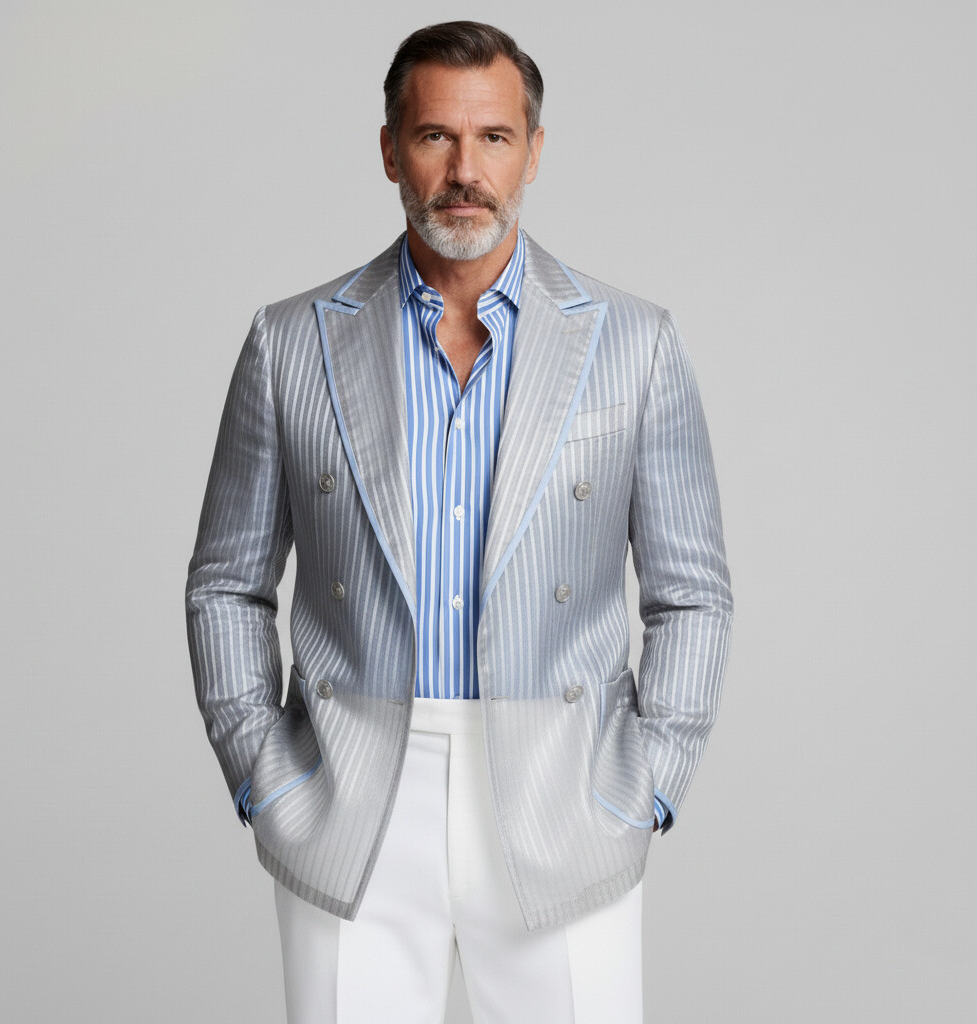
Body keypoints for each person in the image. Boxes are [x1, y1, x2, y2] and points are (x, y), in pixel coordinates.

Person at [185, 20, 732, 1024]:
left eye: (493, 138)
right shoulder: (290, 342)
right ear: (390, 150)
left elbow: (692, 591)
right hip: (347, 798)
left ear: (533, 151)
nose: (464, 170)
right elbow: (226, 580)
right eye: (436, 136)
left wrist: (649, 779)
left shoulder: (633, 343)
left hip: (566, 796)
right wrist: (262, 769)